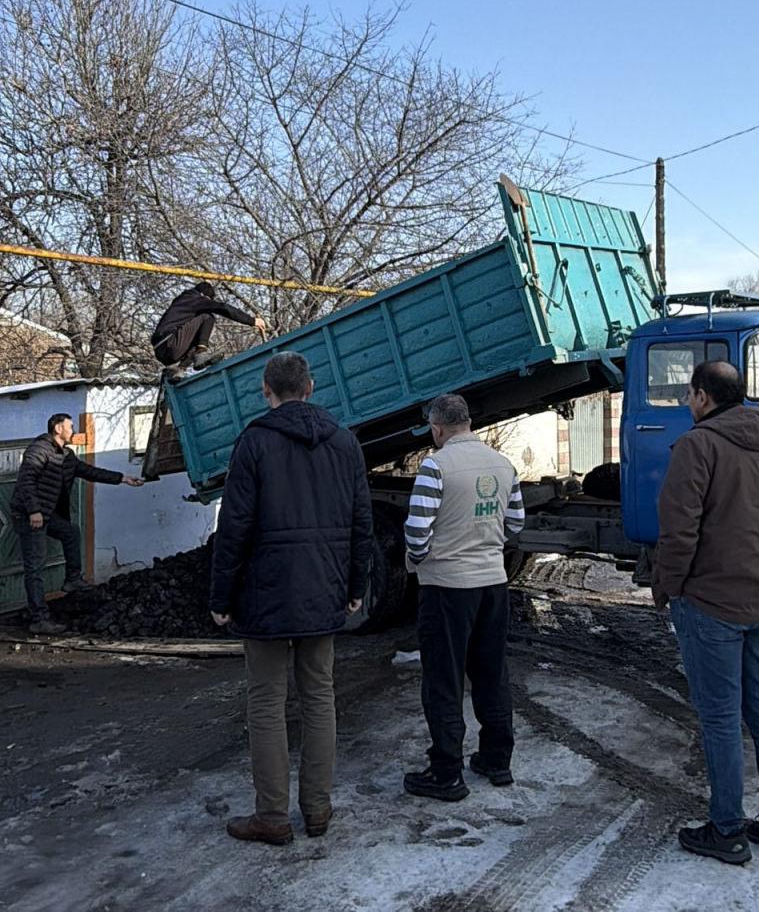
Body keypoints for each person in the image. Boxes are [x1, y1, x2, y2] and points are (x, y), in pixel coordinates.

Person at [209, 352, 372, 846]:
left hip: (265, 594)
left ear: (266, 391)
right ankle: (318, 811)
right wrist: (355, 588)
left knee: (266, 702)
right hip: (323, 588)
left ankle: (272, 816)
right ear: (311, 386)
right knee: (320, 698)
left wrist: (221, 595)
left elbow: (233, 528)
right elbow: (361, 523)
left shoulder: (254, 442)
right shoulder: (344, 442)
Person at [651, 360, 759, 865]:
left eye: (688, 396)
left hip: (710, 604)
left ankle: (727, 830)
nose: (686, 405)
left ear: (702, 396)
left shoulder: (698, 446)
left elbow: (679, 531)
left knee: (720, 718)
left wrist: (668, 589)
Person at [402, 394, 525, 802]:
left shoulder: (435, 467)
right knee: (492, 672)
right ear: (469, 422)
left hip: (446, 587)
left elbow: (417, 533)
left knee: (444, 678)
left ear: (437, 428)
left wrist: (422, 561)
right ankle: (496, 758)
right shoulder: (503, 465)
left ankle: (445, 771)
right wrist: (487, 546)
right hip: (492, 582)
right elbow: (516, 523)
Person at [10, 414, 144, 635]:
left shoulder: (66, 456)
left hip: (46, 514)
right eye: (70, 427)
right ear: (57, 428)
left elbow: (90, 472)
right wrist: (33, 510)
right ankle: (39, 619)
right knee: (35, 567)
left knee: (71, 532)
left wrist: (123, 478)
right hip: (28, 514)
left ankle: (72, 580)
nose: (73, 431)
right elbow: (26, 481)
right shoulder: (38, 450)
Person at [152, 281, 268, 367]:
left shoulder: (182, 302)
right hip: (170, 343)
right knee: (207, 316)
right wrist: (252, 321)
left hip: (161, 350)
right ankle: (201, 354)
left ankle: (178, 370)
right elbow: (223, 308)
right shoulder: (196, 299)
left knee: (197, 331)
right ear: (205, 296)